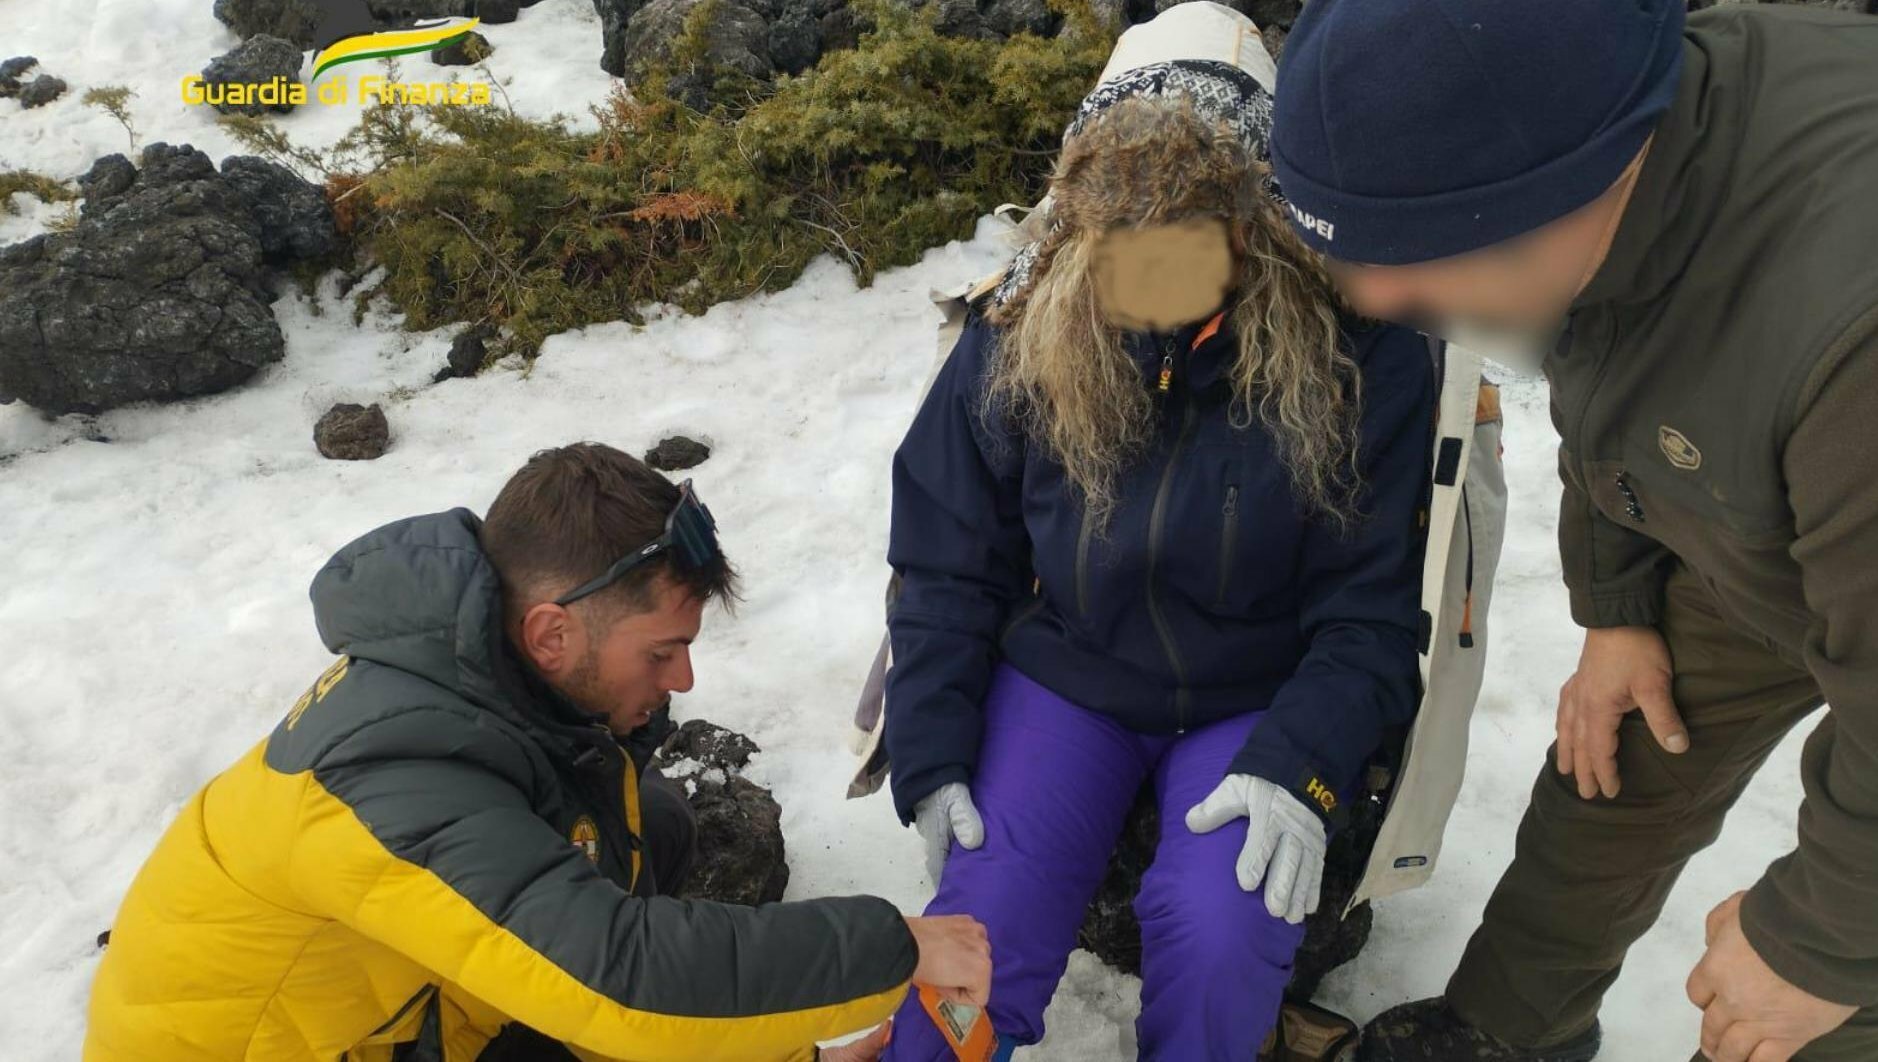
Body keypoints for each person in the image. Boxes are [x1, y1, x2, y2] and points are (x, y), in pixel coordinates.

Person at [1267, 2, 1878, 1061]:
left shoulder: (1849, 336)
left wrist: (1819, 946)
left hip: (1840, 475)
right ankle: (1506, 1031)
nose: (1374, 297)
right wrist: (1620, 607)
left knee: (1805, 1013)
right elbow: (1623, 366)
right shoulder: (1615, 133)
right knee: (1615, 764)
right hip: (1766, 517)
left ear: (1563, 194)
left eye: (1401, 254)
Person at [876, 27, 1435, 1059]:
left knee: (1225, 932)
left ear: (1261, 217)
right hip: (1068, 675)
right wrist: (930, 743)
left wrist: (1299, 767)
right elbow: (949, 553)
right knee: (978, 931)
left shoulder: (1364, 349)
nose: (1148, 262)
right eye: (1119, 228)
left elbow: (1372, 607)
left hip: (1254, 692)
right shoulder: (1024, 319)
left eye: (1188, 227)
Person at [84, 442, 990, 1062]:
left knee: (656, 829)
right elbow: (613, 973)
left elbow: (592, 956)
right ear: (551, 631)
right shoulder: (390, 780)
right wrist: (896, 948)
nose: (681, 684)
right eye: (661, 651)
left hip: (396, 1021)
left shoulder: (512, 703)